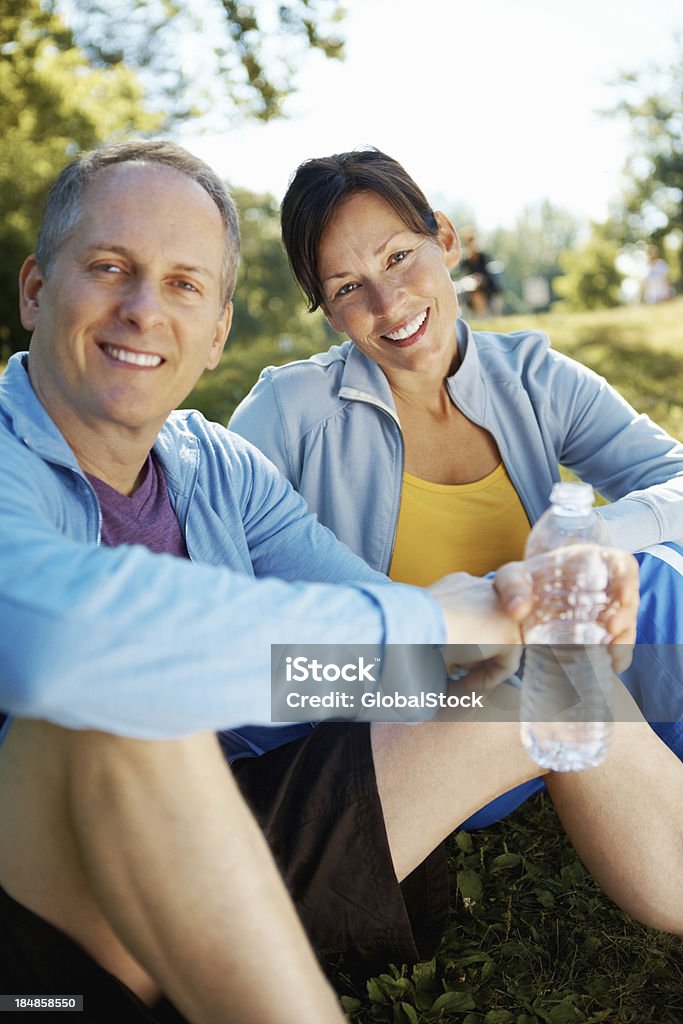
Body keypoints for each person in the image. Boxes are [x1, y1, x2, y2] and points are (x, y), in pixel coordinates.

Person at [0, 141, 679, 1023]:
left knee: (542, 679)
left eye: (182, 284)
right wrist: (450, 614)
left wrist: (516, 615)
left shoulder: (220, 466)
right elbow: (60, 651)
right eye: (109, 267)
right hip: (53, 883)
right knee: (123, 714)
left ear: (215, 334)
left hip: (247, 810)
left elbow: (368, 639)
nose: (141, 309)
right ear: (35, 289)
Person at [230, 146, 683, 828]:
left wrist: (595, 539)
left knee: (660, 578)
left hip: (559, 659)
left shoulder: (531, 376)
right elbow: (226, 622)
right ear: (328, 312)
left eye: (397, 257)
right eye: (347, 288)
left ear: (443, 237)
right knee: (547, 665)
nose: (389, 302)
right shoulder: (289, 411)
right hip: (422, 699)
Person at [455, 224, 501, 316]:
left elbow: (489, 274)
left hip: (487, 288)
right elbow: (459, 274)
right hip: (470, 290)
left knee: (477, 295)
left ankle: (484, 316)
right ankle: (479, 316)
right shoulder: (465, 260)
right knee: (470, 293)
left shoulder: (483, 256)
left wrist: (481, 278)